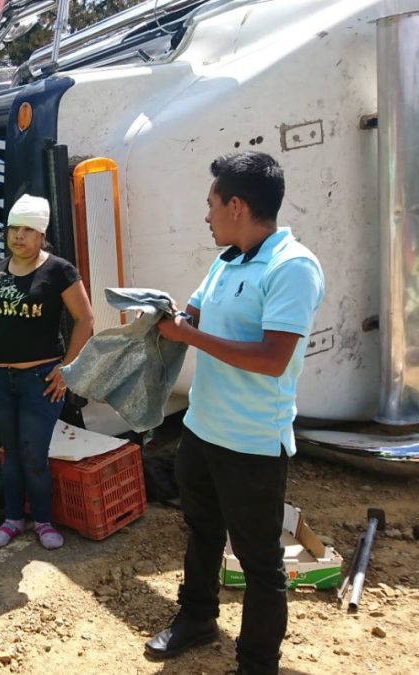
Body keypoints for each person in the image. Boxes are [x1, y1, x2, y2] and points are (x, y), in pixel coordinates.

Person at [146, 151, 324, 675]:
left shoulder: (292, 268)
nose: (206, 215)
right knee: (201, 530)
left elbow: (273, 360)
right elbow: (194, 312)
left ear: (238, 205)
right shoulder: (228, 259)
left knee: (261, 563)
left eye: (211, 204)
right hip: (203, 428)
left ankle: (257, 663)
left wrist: (189, 335)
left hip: (252, 443)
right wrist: (164, 316)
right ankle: (197, 617)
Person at [0, 194, 94, 550]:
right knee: (9, 451)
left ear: (41, 235)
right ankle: (12, 520)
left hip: (40, 380)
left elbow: (85, 320)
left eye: (27, 230)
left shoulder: (59, 271)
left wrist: (68, 369)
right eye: (13, 229)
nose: (18, 236)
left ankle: (42, 521)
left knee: (33, 453)